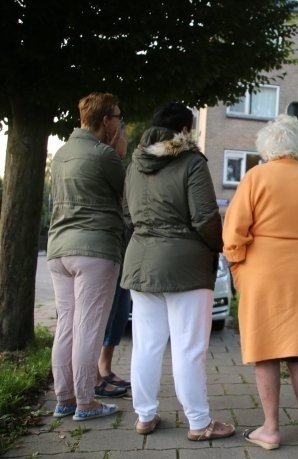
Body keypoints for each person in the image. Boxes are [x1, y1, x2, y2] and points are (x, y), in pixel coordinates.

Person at [222, 114, 298, 450]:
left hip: (261, 270)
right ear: (295, 145)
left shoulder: (255, 177)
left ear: (266, 147)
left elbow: (234, 231)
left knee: (266, 351)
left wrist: (237, 265)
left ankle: (271, 429)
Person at [120, 102, 234, 439]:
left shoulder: (134, 165)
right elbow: (204, 217)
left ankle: (144, 416)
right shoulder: (191, 162)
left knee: (146, 345)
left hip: (141, 262)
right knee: (188, 347)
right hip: (186, 266)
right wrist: (217, 245)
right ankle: (199, 423)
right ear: (184, 130)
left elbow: (127, 215)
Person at [47, 92, 126, 421]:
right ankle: (86, 402)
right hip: (94, 250)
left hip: (58, 251)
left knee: (66, 325)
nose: (121, 123)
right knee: (88, 326)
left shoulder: (62, 153)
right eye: (118, 117)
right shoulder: (103, 155)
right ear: (106, 120)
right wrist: (119, 154)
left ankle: (64, 399)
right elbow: (126, 196)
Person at [96, 122, 130, 399]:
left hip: (122, 248)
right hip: (107, 247)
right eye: (125, 134)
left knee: (119, 310)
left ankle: (105, 367)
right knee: (105, 313)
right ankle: (96, 376)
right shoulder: (106, 162)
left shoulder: (119, 165)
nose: (127, 139)